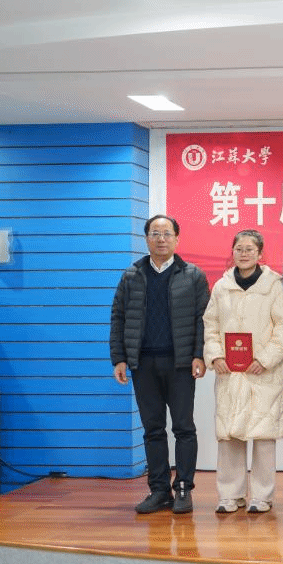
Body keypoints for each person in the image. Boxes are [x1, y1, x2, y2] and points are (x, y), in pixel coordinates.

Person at [110, 214, 209, 514]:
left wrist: (199, 354)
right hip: (143, 364)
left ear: (177, 238)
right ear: (147, 239)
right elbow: (118, 317)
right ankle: (159, 490)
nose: (161, 239)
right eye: (155, 233)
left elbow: (203, 319)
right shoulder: (131, 276)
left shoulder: (192, 275)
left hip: (180, 364)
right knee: (152, 429)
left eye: (167, 233)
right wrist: (119, 358)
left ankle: (183, 488)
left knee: (183, 428)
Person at [202, 230, 283, 514]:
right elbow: (210, 324)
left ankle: (262, 496)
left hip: (263, 371)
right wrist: (215, 355)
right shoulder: (222, 286)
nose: (244, 254)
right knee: (230, 435)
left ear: (260, 254)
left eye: (250, 249)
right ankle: (230, 495)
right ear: (233, 252)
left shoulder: (274, 285)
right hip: (230, 371)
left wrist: (265, 359)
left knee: (264, 436)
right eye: (239, 248)